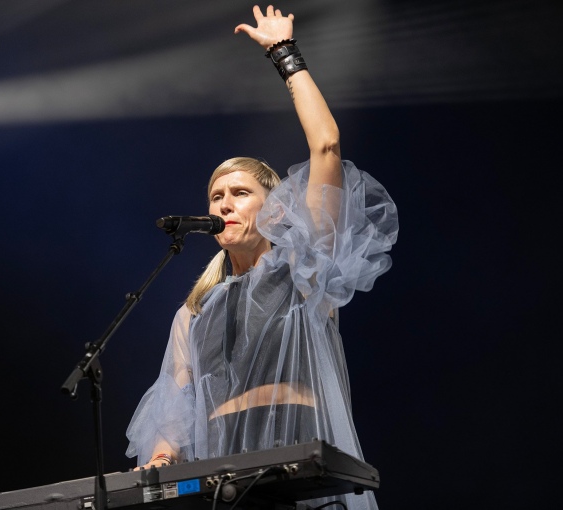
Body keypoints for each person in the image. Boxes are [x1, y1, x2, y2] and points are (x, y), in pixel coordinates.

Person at [125, 5, 398, 510]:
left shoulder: (302, 268)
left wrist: (283, 53)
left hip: (299, 467)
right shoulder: (194, 312)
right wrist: (162, 458)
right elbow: (174, 404)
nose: (224, 203)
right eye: (215, 196)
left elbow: (327, 146)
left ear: (273, 205)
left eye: (239, 192)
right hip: (227, 479)